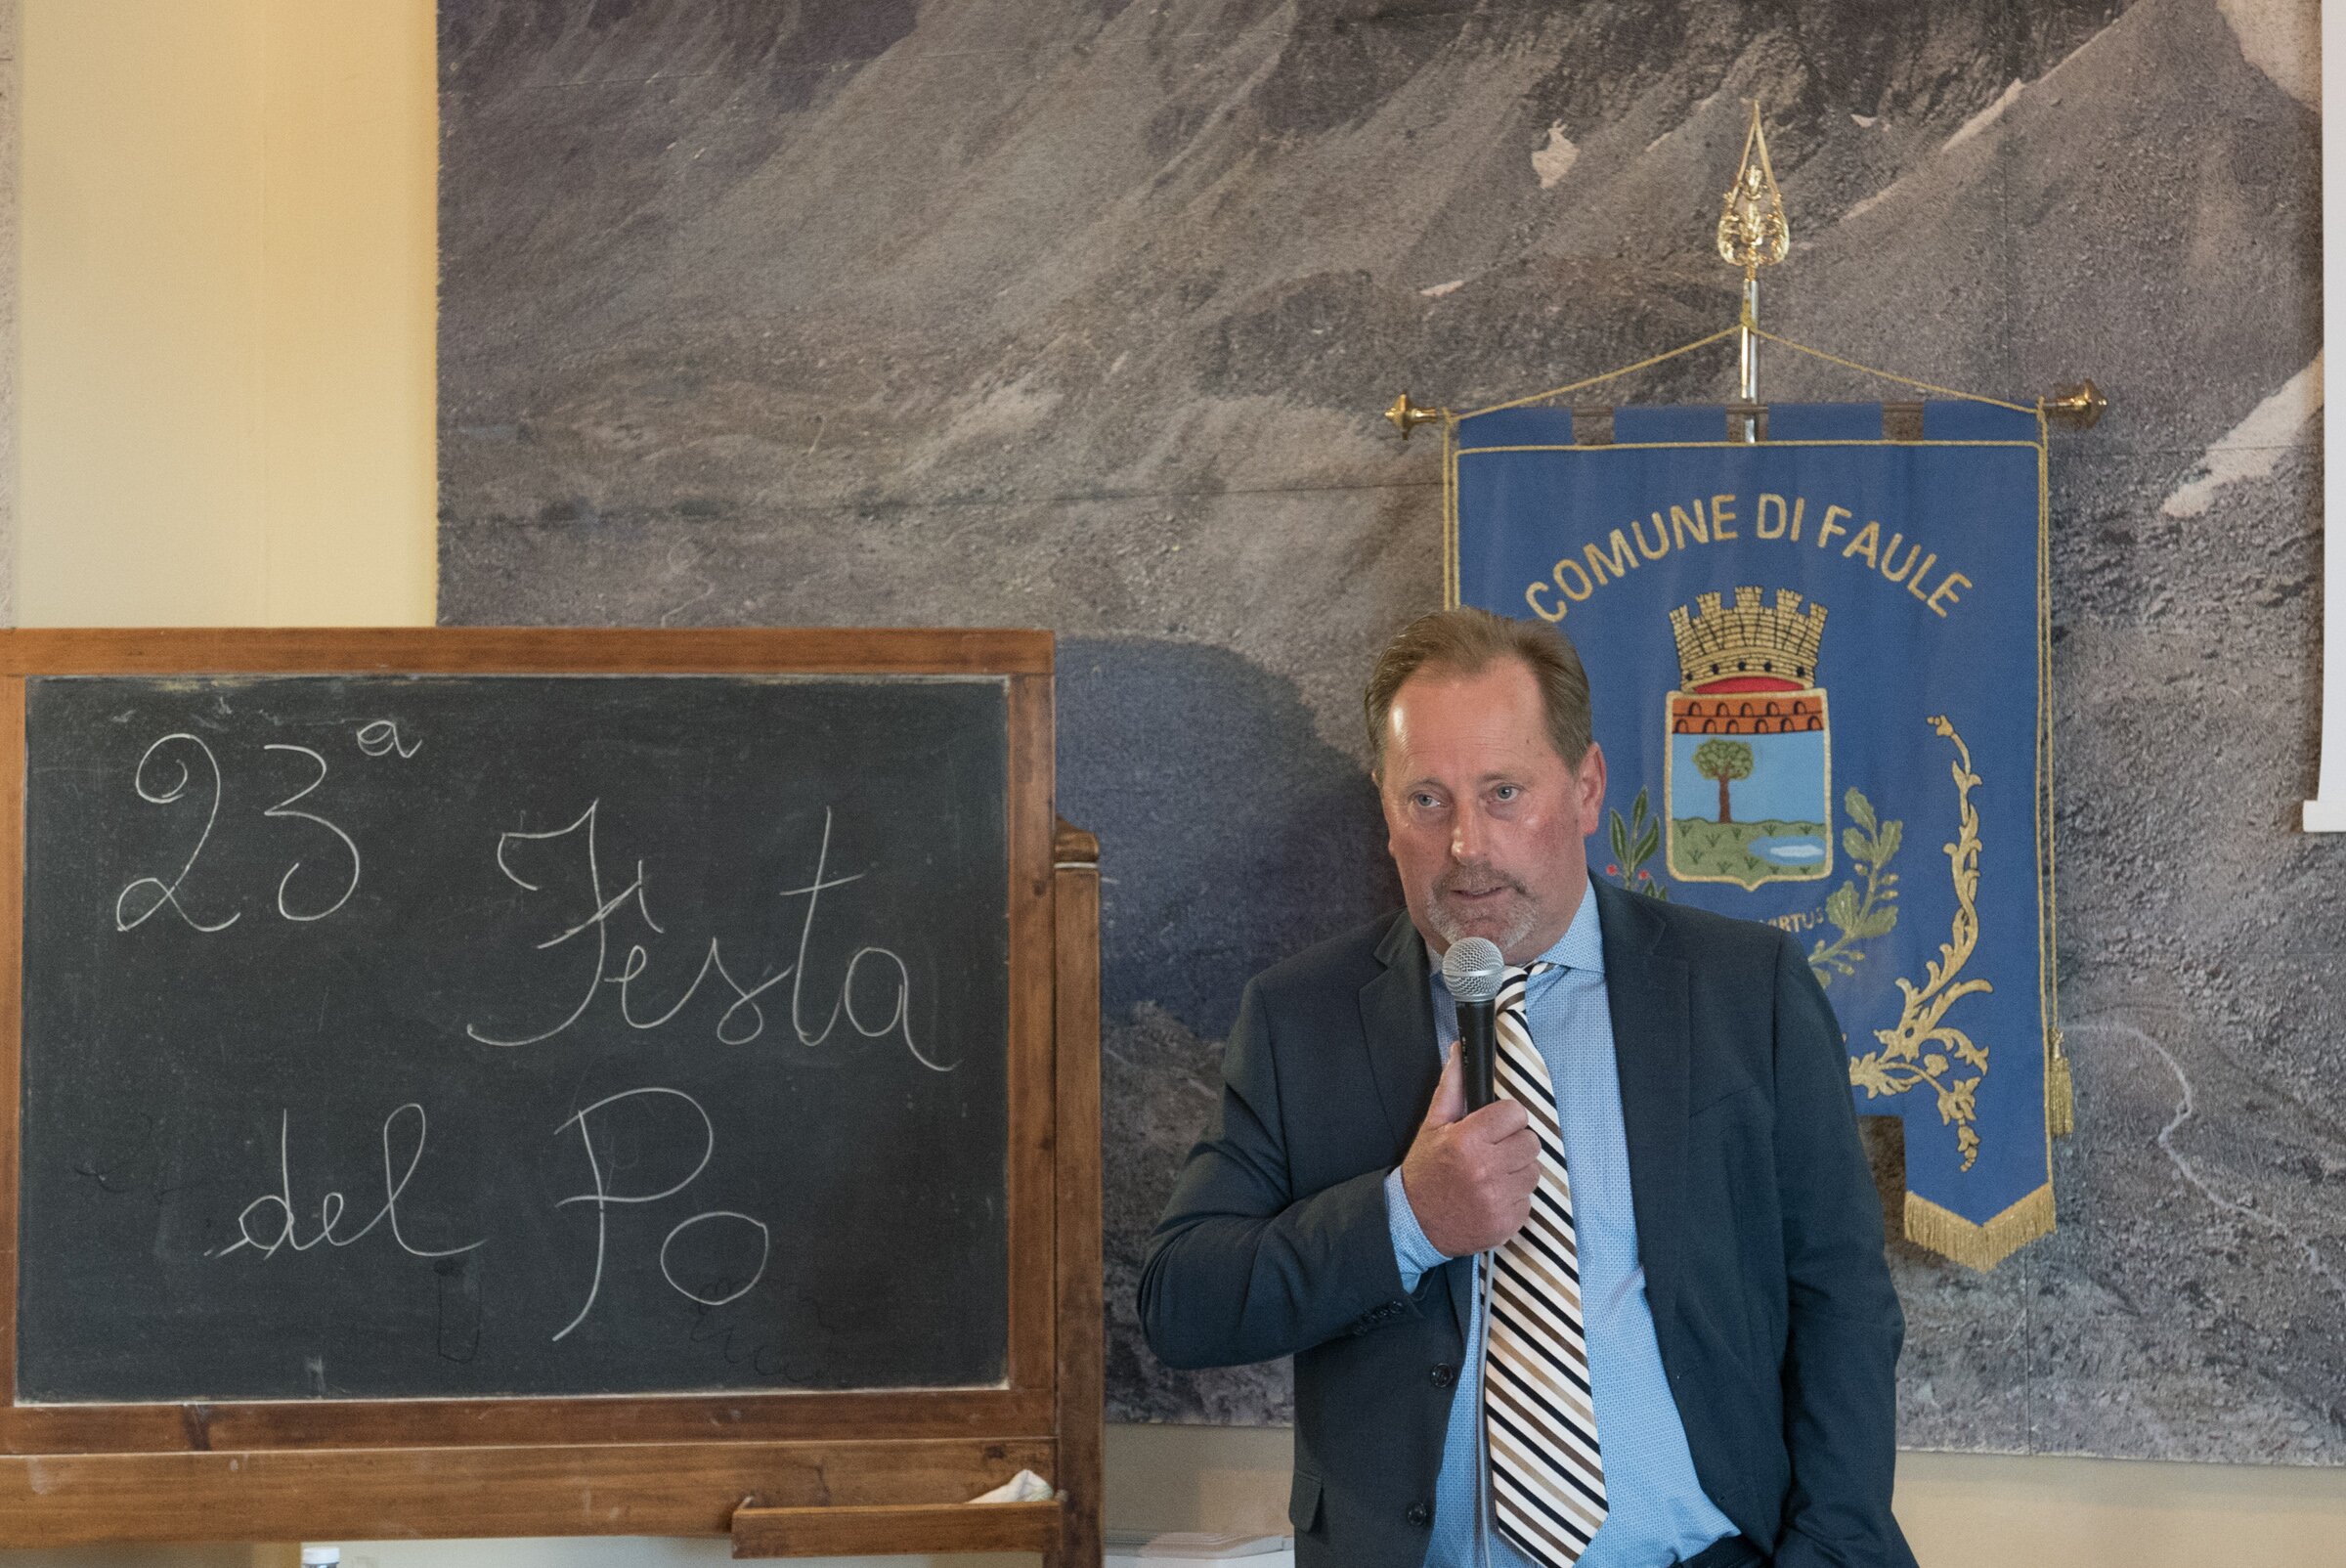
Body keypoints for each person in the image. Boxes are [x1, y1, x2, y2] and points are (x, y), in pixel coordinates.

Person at [1139, 607, 1914, 1568]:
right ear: (1384, 812)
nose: (1467, 843)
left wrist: (1833, 1552)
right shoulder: (1301, 1020)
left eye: (1505, 791)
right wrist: (1405, 1219)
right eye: (1427, 798)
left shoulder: (1743, 990)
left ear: (1585, 788)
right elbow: (1183, 1300)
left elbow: (1840, 1295)